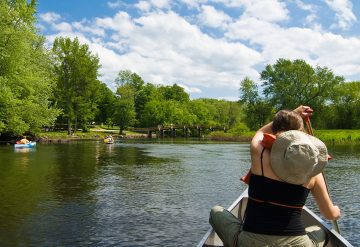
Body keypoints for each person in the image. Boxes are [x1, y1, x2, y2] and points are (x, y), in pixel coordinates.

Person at [209, 105, 340, 247]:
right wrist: (336, 211)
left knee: (216, 212)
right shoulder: (314, 171)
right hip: (297, 243)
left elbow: (261, 132)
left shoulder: (260, 154)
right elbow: (329, 214)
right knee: (320, 231)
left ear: (279, 132)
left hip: (251, 242)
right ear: (301, 134)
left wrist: (293, 114)